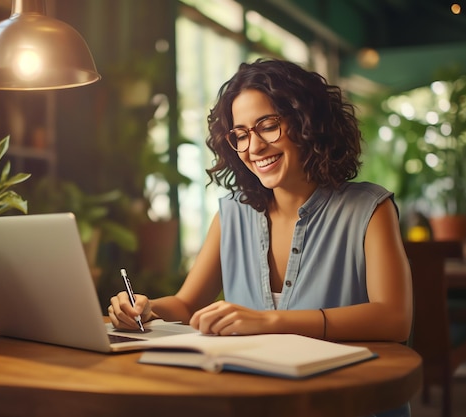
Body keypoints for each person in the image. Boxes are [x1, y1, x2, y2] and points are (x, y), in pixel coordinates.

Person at [109, 59, 413, 416]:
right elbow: (187, 304)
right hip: (256, 402)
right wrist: (145, 309)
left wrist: (269, 322)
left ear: (308, 122)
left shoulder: (368, 208)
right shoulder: (232, 212)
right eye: (240, 134)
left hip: (346, 403)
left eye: (267, 126)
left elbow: (394, 319)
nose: (254, 147)